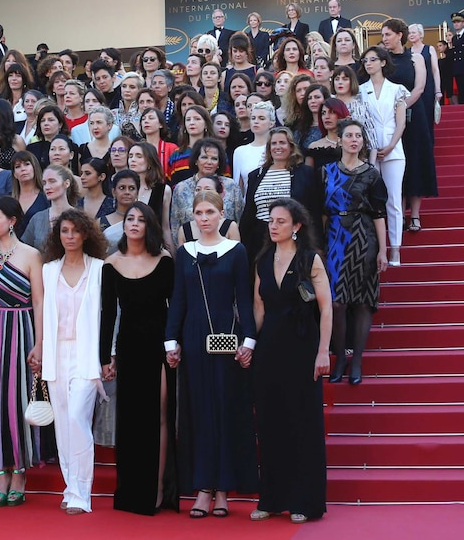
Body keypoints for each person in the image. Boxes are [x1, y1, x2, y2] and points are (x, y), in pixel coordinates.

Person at [165, 189, 257, 518]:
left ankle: (223, 490)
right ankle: (203, 488)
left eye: (209, 212)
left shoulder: (237, 250)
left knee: (224, 408)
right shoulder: (185, 252)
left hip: (227, 337)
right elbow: (178, 298)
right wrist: (170, 340)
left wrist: (249, 340)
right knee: (199, 410)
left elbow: (244, 299)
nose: (204, 219)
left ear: (221, 215)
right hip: (192, 338)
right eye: (199, 213)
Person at [251, 198, 331, 523]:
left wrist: (323, 351)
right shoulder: (262, 260)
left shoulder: (310, 259)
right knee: (270, 422)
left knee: (302, 422)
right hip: (269, 348)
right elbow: (258, 307)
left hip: (302, 347)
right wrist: (250, 344)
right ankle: (270, 498)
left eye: (280, 221)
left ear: (296, 226)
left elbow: (326, 308)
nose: (273, 225)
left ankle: (303, 499)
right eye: (271, 220)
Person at [99, 201, 176, 515]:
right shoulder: (111, 263)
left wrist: (173, 346)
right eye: (129, 218)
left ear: (150, 226)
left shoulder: (165, 260)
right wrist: (106, 356)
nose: (133, 224)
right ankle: (130, 489)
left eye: (140, 220)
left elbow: (175, 307)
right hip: (129, 346)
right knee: (130, 420)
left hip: (158, 347)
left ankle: (157, 489)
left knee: (157, 415)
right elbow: (107, 315)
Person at [30, 209, 108, 514]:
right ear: (58, 236)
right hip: (55, 352)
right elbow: (41, 312)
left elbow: (109, 316)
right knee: (62, 425)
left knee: (77, 418)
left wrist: (107, 355)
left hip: (86, 354)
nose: (70, 236)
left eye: (76, 231)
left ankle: (81, 494)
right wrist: (38, 347)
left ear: (86, 234)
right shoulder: (49, 270)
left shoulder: (100, 269)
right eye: (65, 231)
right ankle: (69, 486)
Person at [0, 196, 43, 507]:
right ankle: (0, 469)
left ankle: (20, 470)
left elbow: (40, 302)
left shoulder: (31, 255)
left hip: (22, 328)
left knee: (18, 400)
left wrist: (39, 343)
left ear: (12, 220)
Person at [322, 120, 389, 385]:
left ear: (362, 141)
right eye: (349, 135)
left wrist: (383, 250)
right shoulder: (326, 172)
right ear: (339, 140)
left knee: (362, 301)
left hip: (364, 236)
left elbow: (379, 213)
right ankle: (341, 357)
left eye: (358, 136)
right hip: (336, 235)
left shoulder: (371, 174)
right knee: (337, 302)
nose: (354, 140)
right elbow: (322, 212)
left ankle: (357, 360)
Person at [382, 20, 438, 233]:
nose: (384, 38)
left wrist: (401, 107)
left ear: (399, 35)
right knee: (397, 165)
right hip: (390, 120)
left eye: (387, 34)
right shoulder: (383, 61)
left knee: (415, 162)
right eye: (383, 35)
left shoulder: (415, 58)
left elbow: (420, 87)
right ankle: (399, 213)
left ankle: (414, 215)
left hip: (414, 117)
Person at [240, 127, 321, 265]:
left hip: (295, 239)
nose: (278, 147)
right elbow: (249, 212)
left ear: (291, 146)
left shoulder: (305, 173)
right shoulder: (255, 175)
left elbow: (313, 210)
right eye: (274, 143)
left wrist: (318, 244)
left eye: (282, 143)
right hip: (260, 239)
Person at [359, 46, 407, 267]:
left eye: (372, 60)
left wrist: (390, 145)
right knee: (371, 199)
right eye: (365, 60)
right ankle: (376, 246)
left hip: (394, 149)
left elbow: (401, 122)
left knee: (394, 200)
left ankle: (395, 247)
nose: (368, 64)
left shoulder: (397, 89)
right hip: (369, 148)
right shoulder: (360, 90)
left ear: (383, 62)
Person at [171, 137, 241, 239]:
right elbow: (175, 225)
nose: (209, 162)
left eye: (214, 158)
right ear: (196, 160)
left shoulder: (231, 186)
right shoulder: (181, 188)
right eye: (204, 157)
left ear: (219, 163)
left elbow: (239, 219)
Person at [128, 142, 174, 253]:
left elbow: (165, 227)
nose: (132, 159)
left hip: (153, 249)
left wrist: (173, 256)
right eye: (130, 156)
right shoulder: (122, 188)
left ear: (150, 161)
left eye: (139, 156)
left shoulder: (163, 190)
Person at [22, 164, 78, 252]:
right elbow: (24, 250)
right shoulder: (37, 218)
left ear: (66, 183)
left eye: (52, 181)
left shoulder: (80, 218)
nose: (47, 187)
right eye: (44, 183)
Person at [176, 176, 241, 245]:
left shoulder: (230, 227)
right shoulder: (184, 230)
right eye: (198, 189)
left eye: (208, 189)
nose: (202, 192)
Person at [232, 101, 274, 197]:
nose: (256, 121)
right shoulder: (240, 152)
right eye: (253, 118)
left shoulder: (276, 149)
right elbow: (238, 188)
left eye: (261, 118)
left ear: (271, 123)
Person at [306, 98, 348, 170]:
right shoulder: (314, 147)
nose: (327, 117)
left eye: (332, 112)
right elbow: (308, 177)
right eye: (323, 113)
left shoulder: (353, 142)